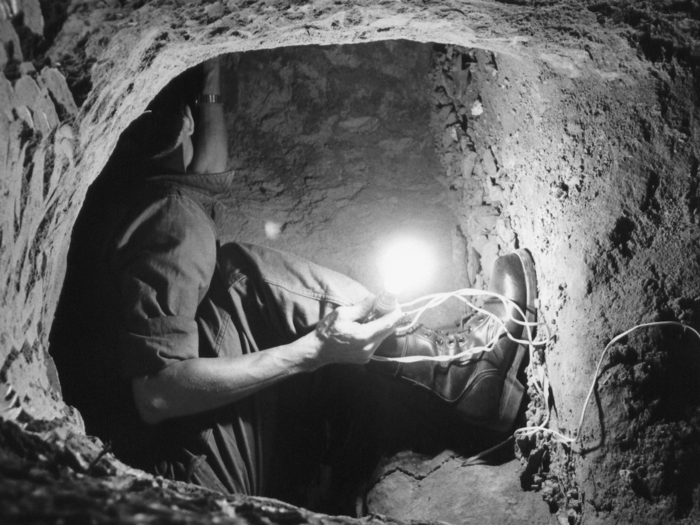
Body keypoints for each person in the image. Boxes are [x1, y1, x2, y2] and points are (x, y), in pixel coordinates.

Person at [51, 56, 537, 509]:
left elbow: (205, 176)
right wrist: (312, 352)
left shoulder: (141, 192)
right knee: (243, 281)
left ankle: (400, 386)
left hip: (146, 451)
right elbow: (157, 394)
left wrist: (210, 81)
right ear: (181, 124)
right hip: (179, 482)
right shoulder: (167, 223)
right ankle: (465, 378)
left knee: (228, 283)